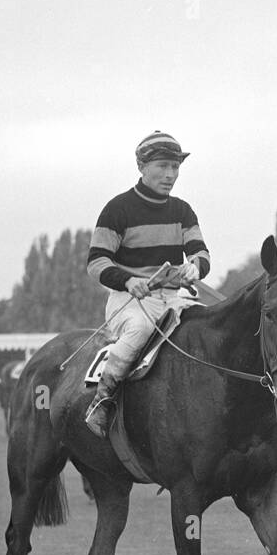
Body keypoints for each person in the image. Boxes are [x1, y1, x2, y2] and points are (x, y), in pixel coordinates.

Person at [84, 131, 211, 437]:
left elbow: (201, 255)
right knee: (140, 329)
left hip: (174, 300)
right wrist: (128, 280)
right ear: (142, 167)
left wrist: (194, 269)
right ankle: (102, 401)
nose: (171, 175)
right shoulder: (117, 209)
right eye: (163, 166)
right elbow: (96, 262)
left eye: (176, 167)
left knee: (209, 328)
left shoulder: (183, 210)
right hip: (129, 301)